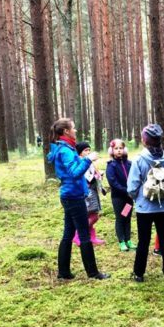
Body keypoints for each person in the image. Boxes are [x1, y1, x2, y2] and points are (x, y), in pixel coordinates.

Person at [46, 118, 109, 281]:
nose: (75, 130)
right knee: (84, 234)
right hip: (73, 196)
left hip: (70, 195)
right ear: (66, 131)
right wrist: (88, 159)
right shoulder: (65, 150)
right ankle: (93, 273)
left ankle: (64, 272)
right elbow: (74, 173)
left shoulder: (66, 148)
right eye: (73, 128)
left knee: (68, 234)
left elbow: (71, 168)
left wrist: (82, 160)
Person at [127, 124, 164, 283]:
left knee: (143, 240)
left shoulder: (138, 159)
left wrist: (138, 198)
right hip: (163, 207)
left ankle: (138, 274)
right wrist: (163, 194)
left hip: (144, 208)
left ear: (144, 141)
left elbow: (132, 186)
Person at [105, 138, 136, 252]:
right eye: (116, 148)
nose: (119, 150)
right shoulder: (111, 165)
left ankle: (128, 240)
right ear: (112, 150)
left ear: (124, 149)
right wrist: (126, 190)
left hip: (128, 198)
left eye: (121, 148)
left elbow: (134, 178)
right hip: (118, 198)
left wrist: (132, 191)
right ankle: (121, 241)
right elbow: (113, 182)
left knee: (127, 217)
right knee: (120, 218)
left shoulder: (129, 164)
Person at [73, 142, 106, 247]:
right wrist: (94, 177)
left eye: (89, 150)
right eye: (85, 150)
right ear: (79, 153)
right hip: (87, 192)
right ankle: (78, 234)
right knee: (93, 215)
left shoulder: (89, 162)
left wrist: (99, 174)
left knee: (92, 214)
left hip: (93, 190)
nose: (88, 152)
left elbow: (92, 174)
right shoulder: (81, 162)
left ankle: (91, 237)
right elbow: (85, 177)